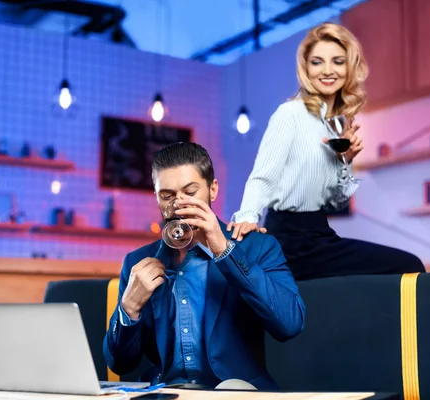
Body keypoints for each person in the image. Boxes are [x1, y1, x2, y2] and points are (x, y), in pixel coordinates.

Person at [227, 22, 425, 281]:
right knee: (408, 265)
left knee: (409, 265)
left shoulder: (336, 126)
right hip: (289, 241)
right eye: (317, 62)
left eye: (338, 62)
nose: (328, 70)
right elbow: (263, 175)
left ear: (349, 68)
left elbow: (336, 203)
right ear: (306, 68)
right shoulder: (290, 113)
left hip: (320, 234)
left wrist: (345, 162)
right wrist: (247, 217)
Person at [103, 142, 305, 391]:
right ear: (156, 198)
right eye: (167, 196)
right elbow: (119, 363)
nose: (179, 205)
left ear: (213, 189)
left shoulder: (257, 246)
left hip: (235, 393)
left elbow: (290, 323)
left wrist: (225, 250)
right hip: (166, 393)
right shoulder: (137, 262)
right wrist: (129, 307)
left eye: (190, 192)